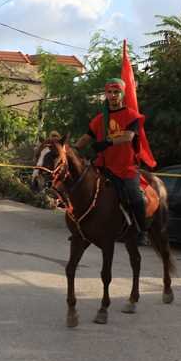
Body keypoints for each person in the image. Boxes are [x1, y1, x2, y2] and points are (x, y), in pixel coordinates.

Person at [74, 78, 148, 246]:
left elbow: (129, 136)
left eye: (116, 92)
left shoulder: (132, 116)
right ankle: (81, 228)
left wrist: (107, 142)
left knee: (135, 196)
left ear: (122, 94)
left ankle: (142, 230)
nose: (113, 95)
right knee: (81, 188)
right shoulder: (100, 119)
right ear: (105, 94)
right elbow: (87, 137)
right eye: (110, 92)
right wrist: (72, 149)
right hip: (103, 166)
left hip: (125, 166)